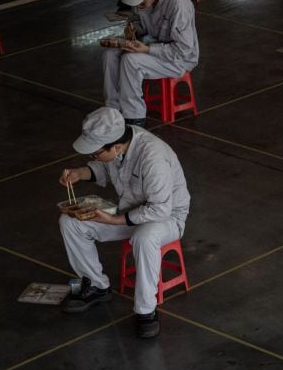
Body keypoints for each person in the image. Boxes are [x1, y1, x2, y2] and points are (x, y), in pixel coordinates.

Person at [58, 107, 190, 338]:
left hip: (167, 218)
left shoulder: (153, 157)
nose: (93, 157)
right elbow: (104, 166)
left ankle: (146, 311)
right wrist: (80, 173)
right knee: (70, 222)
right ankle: (97, 286)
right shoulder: (119, 142)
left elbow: (159, 209)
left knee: (144, 236)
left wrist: (115, 219)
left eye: (95, 153)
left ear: (116, 147)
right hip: (128, 213)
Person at [102, 0, 199, 128]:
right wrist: (133, 31)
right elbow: (143, 25)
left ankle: (134, 117)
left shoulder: (178, 5)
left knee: (131, 61)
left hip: (178, 59)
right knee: (110, 54)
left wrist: (147, 49)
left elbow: (183, 50)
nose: (138, 5)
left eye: (140, 2)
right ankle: (113, 109)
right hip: (151, 44)